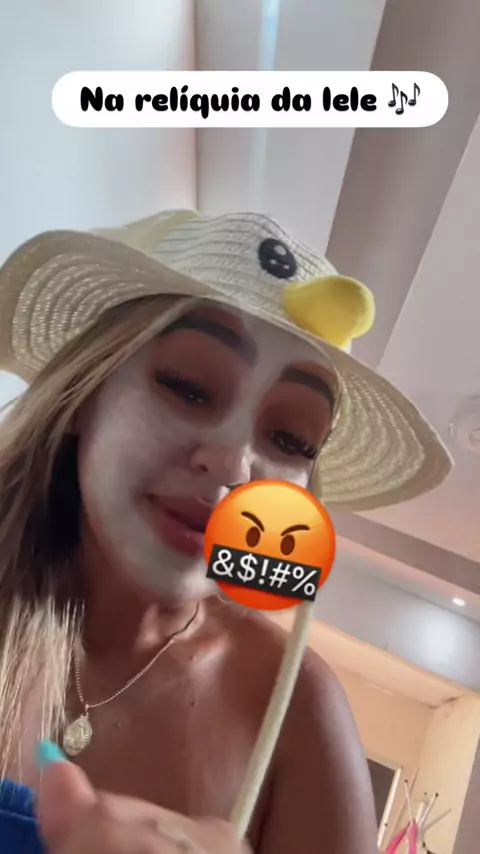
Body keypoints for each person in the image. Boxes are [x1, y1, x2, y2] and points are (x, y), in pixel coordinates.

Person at [0, 209, 451, 854]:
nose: (236, 466)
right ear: (87, 394)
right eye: (188, 387)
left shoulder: (298, 712)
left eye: (291, 438)